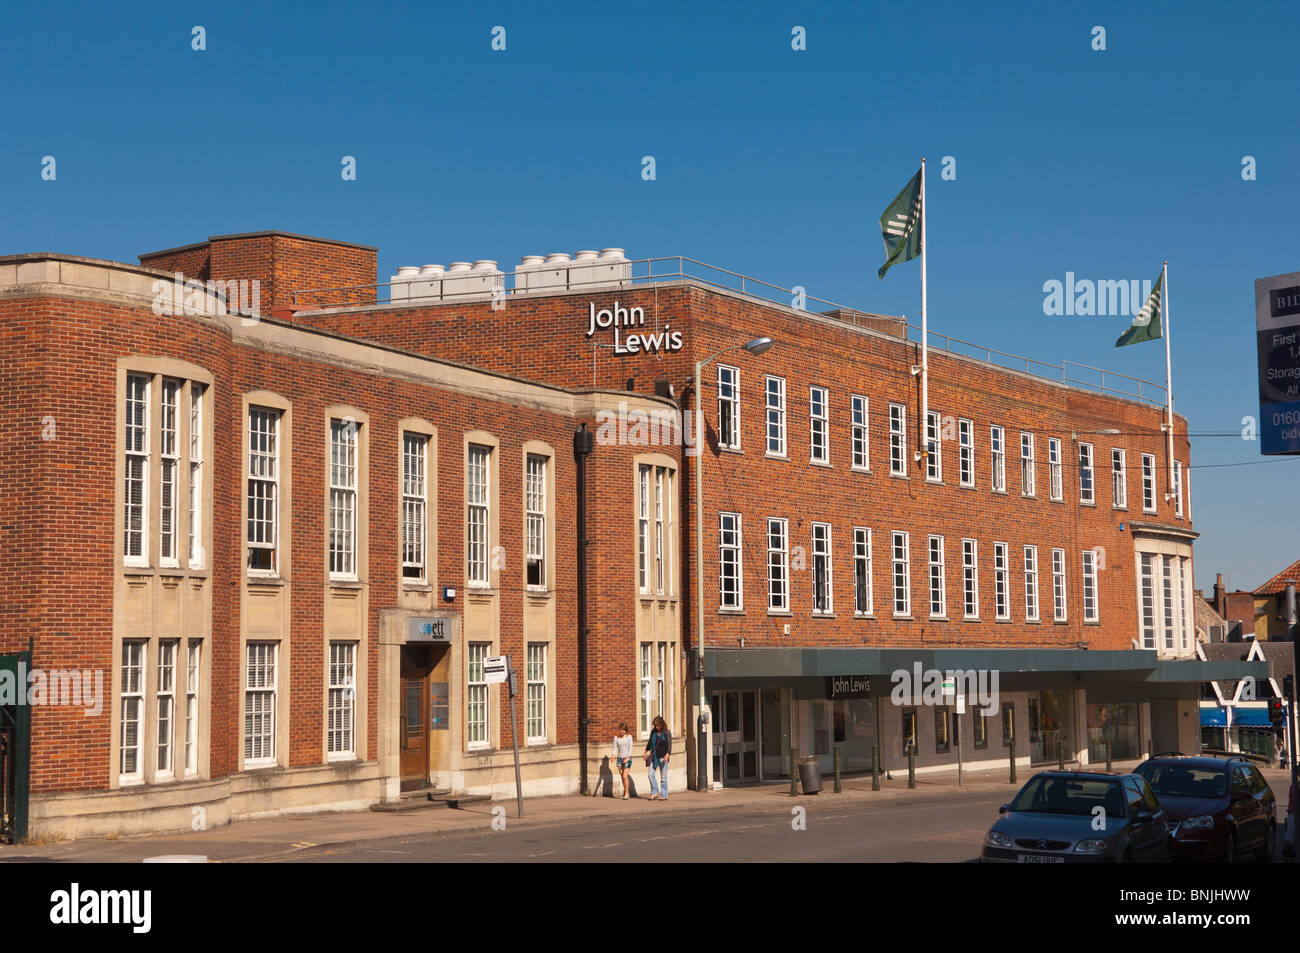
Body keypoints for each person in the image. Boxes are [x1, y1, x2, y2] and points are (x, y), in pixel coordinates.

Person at [645, 715, 672, 800]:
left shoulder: (666, 732)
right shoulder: (653, 732)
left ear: (662, 724)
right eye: (655, 725)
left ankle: (664, 795)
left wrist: (667, 754)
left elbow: (669, 744)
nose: (656, 727)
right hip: (654, 756)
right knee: (650, 775)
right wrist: (646, 751)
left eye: (658, 725)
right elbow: (650, 742)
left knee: (663, 778)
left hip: (663, 756)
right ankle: (654, 792)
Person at [613, 722, 634, 799]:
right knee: (622, 777)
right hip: (619, 759)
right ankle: (627, 792)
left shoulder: (629, 737)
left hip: (627, 758)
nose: (624, 732)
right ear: (619, 729)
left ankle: (626, 793)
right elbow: (615, 748)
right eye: (622, 730)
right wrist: (613, 755)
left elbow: (631, 747)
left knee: (625, 776)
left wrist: (628, 757)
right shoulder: (616, 738)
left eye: (625, 730)